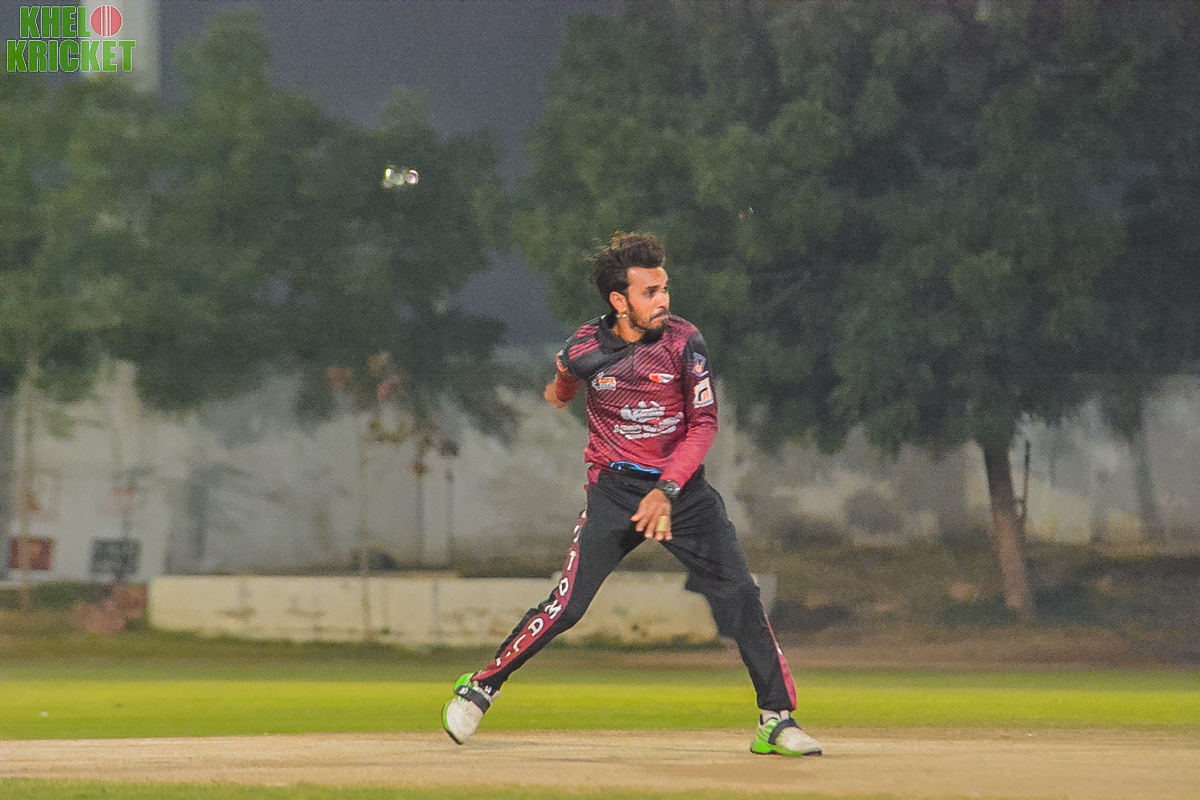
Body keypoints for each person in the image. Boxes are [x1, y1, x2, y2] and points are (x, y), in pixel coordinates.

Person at [441, 232, 822, 757]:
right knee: (567, 607)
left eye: (664, 288)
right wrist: (559, 393)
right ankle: (480, 688)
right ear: (619, 302)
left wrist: (667, 489)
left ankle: (776, 720)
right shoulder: (584, 348)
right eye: (650, 292)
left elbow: (704, 423)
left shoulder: (685, 342)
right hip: (614, 492)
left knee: (741, 595)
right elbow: (565, 380)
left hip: (681, 492)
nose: (663, 300)